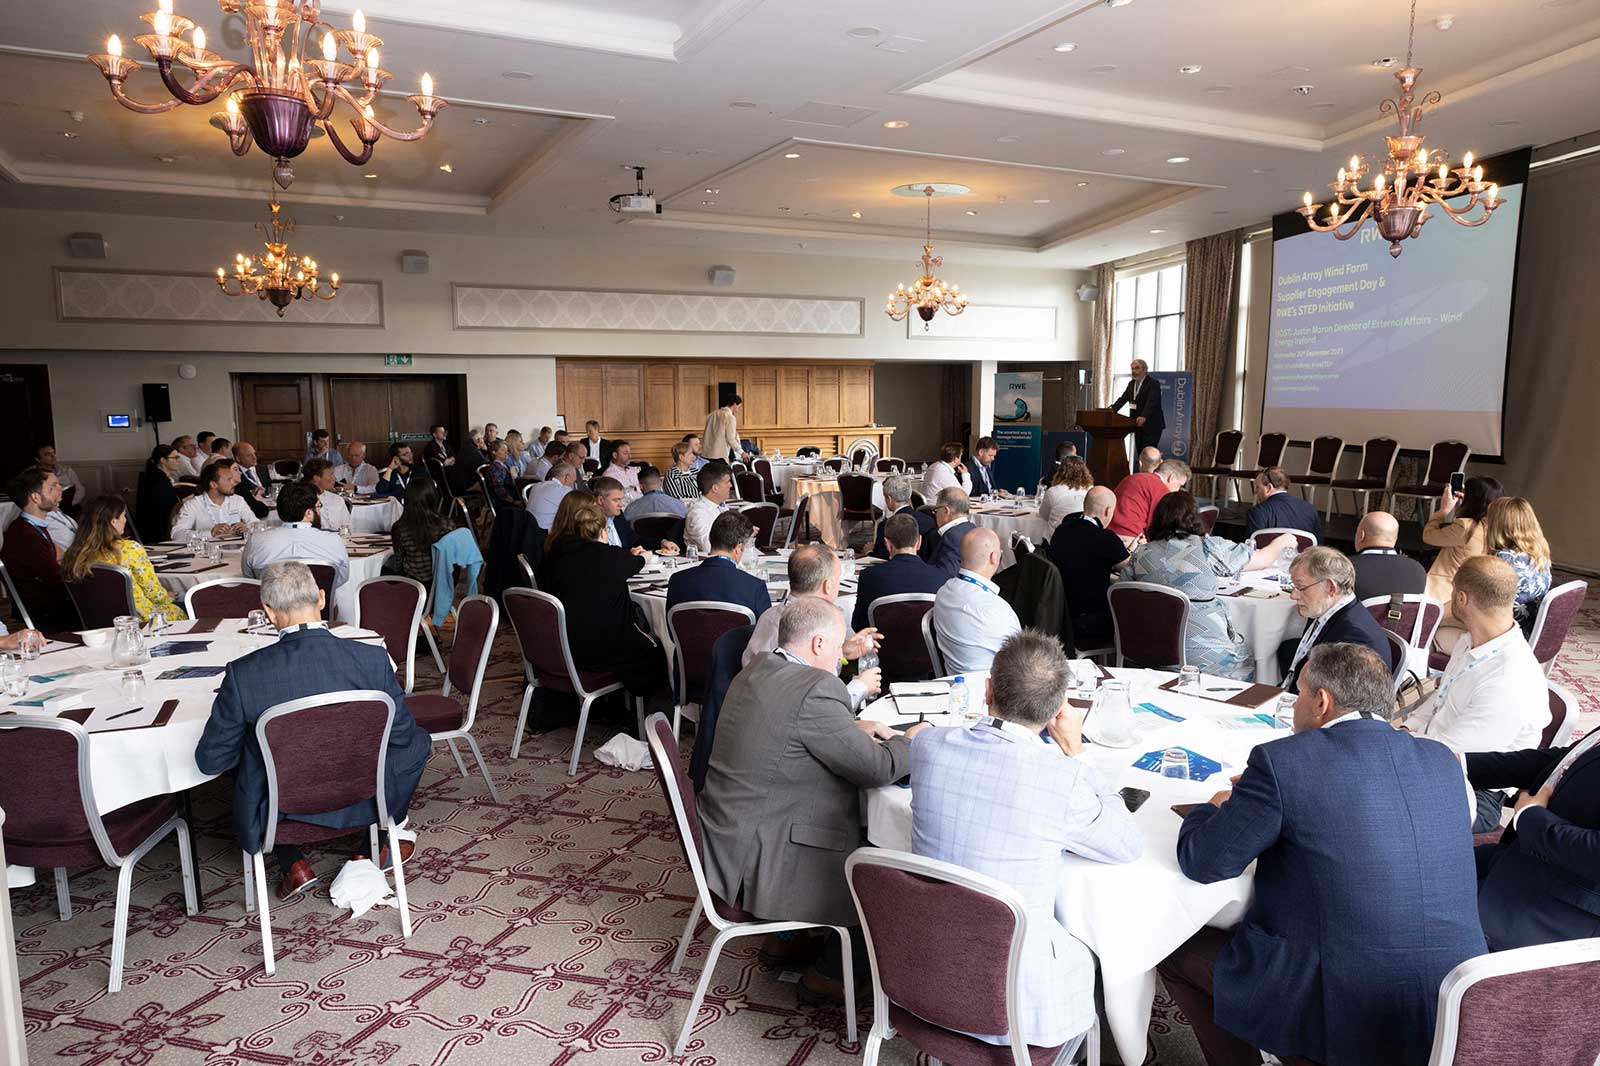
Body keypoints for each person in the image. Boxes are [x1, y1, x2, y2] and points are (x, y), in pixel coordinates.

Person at [1159, 642, 1484, 1066]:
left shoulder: (1282, 762)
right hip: (1454, 998)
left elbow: (1203, 862)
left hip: (1343, 1001)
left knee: (1176, 949)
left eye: (1300, 694)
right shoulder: (1442, 760)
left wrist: (1216, 805)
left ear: (1321, 701)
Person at [912, 630, 1141, 1053]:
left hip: (922, 966)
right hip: (1016, 996)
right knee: (1095, 944)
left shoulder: (927, 747)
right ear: (1059, 710)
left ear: (986, 691)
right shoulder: (1061, 776)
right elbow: (1126, 844)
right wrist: (1078, 754)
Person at [699, 595, 924, 997]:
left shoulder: (760, 667)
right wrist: (910, 742)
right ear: (818, 644)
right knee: (881, 857)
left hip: (731, 835)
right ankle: (831, 973)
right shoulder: (818, 687)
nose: (840, 657)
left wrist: (852, 729)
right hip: (765, 852)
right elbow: (875, 769)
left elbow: (790, 730)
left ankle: (785, 940)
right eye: (838, 647)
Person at [195, 562, 431, 898]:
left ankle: (292, 861)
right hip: (363, 797)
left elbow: (211, 761)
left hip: (281, 809)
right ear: (321, 598)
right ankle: (370, 846)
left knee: (247, 748)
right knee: (417, 743)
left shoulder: (244, 675)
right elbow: (404, 738)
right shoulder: (372, 660)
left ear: (269, 612)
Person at [1403, 556, 1548, 831]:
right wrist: (1406, 729)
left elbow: (1451, 756)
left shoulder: (1509, 678)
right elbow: (1440, 700)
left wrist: (1393, 748)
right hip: (1435, 759)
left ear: (1460, 598)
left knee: (1368, 806)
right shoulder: (1471, 642)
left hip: (1473, 790)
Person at [1120, 491, 1292, 680]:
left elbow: (1123, 592)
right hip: (1204, 656)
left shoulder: (1140, 554)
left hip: (1146, 650)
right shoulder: (1207, 548)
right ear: (1196, 517)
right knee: (1252, 654)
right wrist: (1281, 541)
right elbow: (1261, 559)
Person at [1469, 720, 1600, 951]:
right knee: (1411, 875)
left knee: (1417, 923)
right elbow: (1564, 762)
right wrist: (1462, 764)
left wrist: (1529, 817)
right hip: (1519, 860)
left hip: (1558, 908)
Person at [536, 494, 665, 699]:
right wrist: (638, 555)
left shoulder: (558, 548)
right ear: (603, 531)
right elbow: (638, 562)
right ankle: (646, 714)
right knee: (658, 653)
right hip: (600, 650)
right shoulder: (611, 557)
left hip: (561, 642)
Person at [743, 544, 881, 708]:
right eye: (838, 579)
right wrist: (860, 688)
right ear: (827, 585)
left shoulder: (769, 617)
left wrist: (840, 651)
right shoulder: (799, 629)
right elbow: (807, 706)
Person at [1279, 546, 1397, 692]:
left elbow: (1339, 703)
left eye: (1301, 587)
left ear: (1330, 588)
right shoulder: (1324, 609)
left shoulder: (1356, 638)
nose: (1293, 595)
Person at [60, 495, 184, 624]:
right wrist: (168, 597)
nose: (125, 520)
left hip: (97, 622)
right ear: (113, 521)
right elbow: (155, 594)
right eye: (123, 515)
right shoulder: (130, 550)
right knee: (189, 603)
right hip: (142, 621)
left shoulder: (74, 554)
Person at [1424, 474, 1503, 646]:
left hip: (1445, 594)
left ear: (1472, 499)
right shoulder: (1495, 527)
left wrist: (1444, 510)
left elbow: (1428, 535)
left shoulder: (1464, 526)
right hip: (1474, 596)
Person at [931, 527, 1021, 674]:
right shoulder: (996, 609)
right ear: (995, 557)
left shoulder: (943, 592)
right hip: (993, 689)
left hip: (953, 683)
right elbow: (1020, 662)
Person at [1048, 485, 1129, 645]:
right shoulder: (1105, 538)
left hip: (1061, 612)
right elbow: (1129, 567)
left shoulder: (1062, 529)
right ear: (1107, 511)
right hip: (1089, 621)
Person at [1, 469, 77, 630]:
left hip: (49, 600)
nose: (60, 489)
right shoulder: (27, 536)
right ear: (35, 498)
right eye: (52, 487)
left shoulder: (33, 526)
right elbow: (54, 579)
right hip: (47, 611)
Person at [664, 511, 770, 621]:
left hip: (686, 638)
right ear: (739, 548)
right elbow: (765, 633)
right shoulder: (754, 587)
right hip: (739, 639)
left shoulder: (677, 580)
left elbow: (672, 629)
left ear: (710, 540)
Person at [242, 483, 351, 590]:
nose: (319, 511)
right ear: (308, 513)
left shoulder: (256, 540)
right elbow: (341, 578)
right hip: (319, 605)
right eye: (318, 506)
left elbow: (249, 579)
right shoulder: (333, 540)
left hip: (271, 605)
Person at [854, 513, 946, 631]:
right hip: (927, 648)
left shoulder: (869, 576)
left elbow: (858, 625)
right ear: (919, 542)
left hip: (881, 647)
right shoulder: (940, 577)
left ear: (887, 544)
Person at [1484, 496, 1552, 636]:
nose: (1486, 522)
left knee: (1433, 630)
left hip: (1500, 639)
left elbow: (1478, 606)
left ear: (1497, 525)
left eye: (1488, 518)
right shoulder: (1539, 555)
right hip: (1525, 634)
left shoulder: (1501, 562)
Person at [1351, 510, 1427, 601]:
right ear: (1395, 538)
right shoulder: (1418, 570)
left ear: (1361, 535)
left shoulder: (1344, 568)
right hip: (1403, 615)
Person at [170, 459, 257, 538]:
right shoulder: (193, 505)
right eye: (229, 479)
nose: (233, 483)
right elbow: (176, 534)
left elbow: (258, 525)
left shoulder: (238, 500)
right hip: (206, 553)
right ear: (213, 484)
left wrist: (247, 528)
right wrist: (210, 533)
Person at [389, 478, 452, 587]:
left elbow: (398, 564)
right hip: (443, 584)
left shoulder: (400, 528)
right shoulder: (446, 525)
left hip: (413, 586)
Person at [1107, 458, 1189, 541]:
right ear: (1172, 478)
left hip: (1108, 533)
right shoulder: (1162, 490)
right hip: (1131, 538)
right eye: (1179, 485)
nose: (1178, 490)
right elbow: (1157, 527)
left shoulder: (1132, 477)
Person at [591, 475, 672, 553]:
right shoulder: (590, 523)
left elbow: (634, 540)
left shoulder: (618, 516)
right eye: (616, 500)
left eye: (621, 499)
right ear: (601, 500)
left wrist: (662, 542)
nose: (621, 504)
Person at [868, 473, 936, 559]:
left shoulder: (886, 526)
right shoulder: (928, 520)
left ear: (889, 499)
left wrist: (869, 551)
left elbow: (881, 557)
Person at [1245, 466, 1323, 540]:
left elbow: (1251, 549)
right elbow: (1318, 545)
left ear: (1269, 488)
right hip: (1304, 554)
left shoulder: (1258, 512)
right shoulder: (1310, 509)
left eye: (1257, 487)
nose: (1255, 492)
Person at [1110, 358, 1165, 453]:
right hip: (1136, 424)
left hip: (1151, 425)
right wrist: (1110, 410)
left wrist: (1144, 416)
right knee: (1140, 453)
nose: (1134, 371)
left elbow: (1151, 402)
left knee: (1149, 454)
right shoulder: (1131, 384)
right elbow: (1123, 399)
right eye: (1132, 369)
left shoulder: (1153, 383)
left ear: (1144, 370)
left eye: (1137, 368)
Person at [922, 486, 976, 578]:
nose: (935, 515)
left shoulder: (951, 537)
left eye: (936, 510)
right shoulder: (972, 529)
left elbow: (945, 576)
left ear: (946, 510)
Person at [136, 444, 185, 543]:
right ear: (163, 460)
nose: (178, 461)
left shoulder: (156, 476)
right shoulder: (158, 480)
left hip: (153, 525)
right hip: (157, 529)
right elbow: (169, 507)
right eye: (175, 458)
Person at [684, 463, 732, 555]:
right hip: (705, 563)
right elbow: (709, 547)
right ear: (715, 488)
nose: (730, 485)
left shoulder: (722, 507)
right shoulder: (697, 513)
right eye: (727, 482)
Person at [1037, 456, 1093, 534]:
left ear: (1060, 472)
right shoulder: (1091, 491)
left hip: (1055, 539)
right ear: (1085, 472)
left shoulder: (1053, 491)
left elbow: (1044, 515)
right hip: (1082, 537)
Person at [301, 459, 351, 533]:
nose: (335, 478)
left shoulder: (337, 499)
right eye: (331, 474)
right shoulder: (300, 500)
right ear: (317, 478)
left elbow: (347, 528)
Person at [527, 463, 577, 530]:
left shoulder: (537, 485)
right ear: (567, 478)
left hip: (528, 530)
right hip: (546, 535)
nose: (573, 485)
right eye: (573, 481)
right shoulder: (564, 491)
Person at [702, 395, 742, 465]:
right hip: (720, 455)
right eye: (739, 407)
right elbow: (731, 439)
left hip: (706, 454)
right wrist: (741, 452)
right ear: (735, 404)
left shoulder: (711, 415)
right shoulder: (730, 417)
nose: (739, 409)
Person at [484, 441, 519, 510]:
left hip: (510, 499)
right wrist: (513, 501)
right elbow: (498, 489)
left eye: (507, 450)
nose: (507, 453)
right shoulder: (496, 468)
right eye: (503, 450)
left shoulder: (503, 465)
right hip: (503, 504)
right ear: (494, 452)